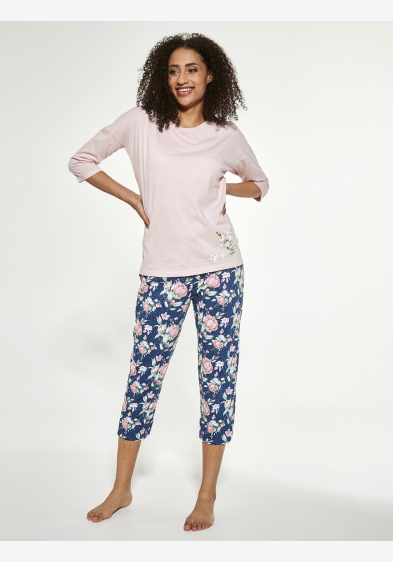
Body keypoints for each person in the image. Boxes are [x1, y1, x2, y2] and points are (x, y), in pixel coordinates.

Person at [68, 32, 269, 532]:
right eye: (174, 70)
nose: (182, 78)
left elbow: (260, 184)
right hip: (162, 273)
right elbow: (81, 161)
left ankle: (206, 495)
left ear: (211, 75)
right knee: (143, 378)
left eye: (192, 69)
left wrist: (225, 189)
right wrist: (134, 198)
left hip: (221, 270)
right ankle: (121, 488)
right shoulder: (141, 123)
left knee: (217, 379)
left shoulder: (225, 135)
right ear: (164, 77)